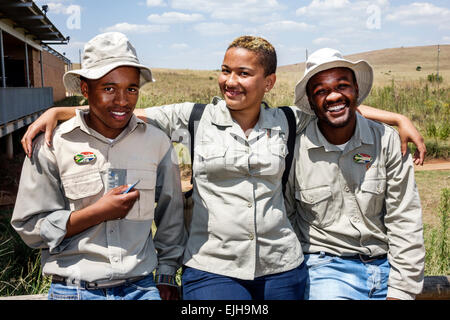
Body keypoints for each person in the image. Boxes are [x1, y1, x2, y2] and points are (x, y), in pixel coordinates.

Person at [19, 36, 426, 300]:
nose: (230, 81)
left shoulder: (287, 120)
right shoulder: (191, 118)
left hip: (283, 267)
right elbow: (122, 109)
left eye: (244, 73)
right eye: (226, 70)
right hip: (212, 267)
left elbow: (331, 104)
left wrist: (395, 118)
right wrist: (60, 110)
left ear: (268, 83)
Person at [11, 32, 186, 300]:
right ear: (84, 89)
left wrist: (165, 275)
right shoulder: (52, 144)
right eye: (108, 88)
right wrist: (95, 213)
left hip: (141, 288)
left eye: (131, 88)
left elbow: (171, 219)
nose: (122, 100)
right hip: (72, 289)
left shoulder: (156, 142)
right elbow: (30, 229)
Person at [285, 48, 425, 300]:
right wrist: (398, 116)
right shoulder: (294, 146)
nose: (333, 96)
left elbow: (405, 220)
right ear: (310, 102)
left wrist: (402, 290)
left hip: (387, 267)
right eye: (321, 91)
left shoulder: (387, 141)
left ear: (356, 90)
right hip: (326, 269)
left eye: (343, 86)